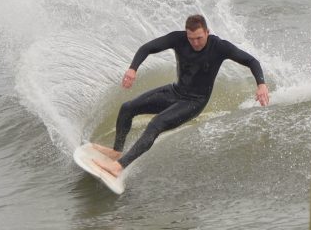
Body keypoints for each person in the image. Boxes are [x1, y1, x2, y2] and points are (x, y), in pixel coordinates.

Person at [92, 14, 269, 177]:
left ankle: (118, 167)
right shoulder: (179, 39)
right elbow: (147, 48)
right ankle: (116, 152)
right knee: (127, 108)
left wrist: (261, 84)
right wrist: (133, 68)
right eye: (191, 38)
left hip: (195, 102)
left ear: (207, 32)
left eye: (199, 38)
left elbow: (251, 61)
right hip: (175, 92)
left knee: (156, 124)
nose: (195, 43)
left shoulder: (219, 47)